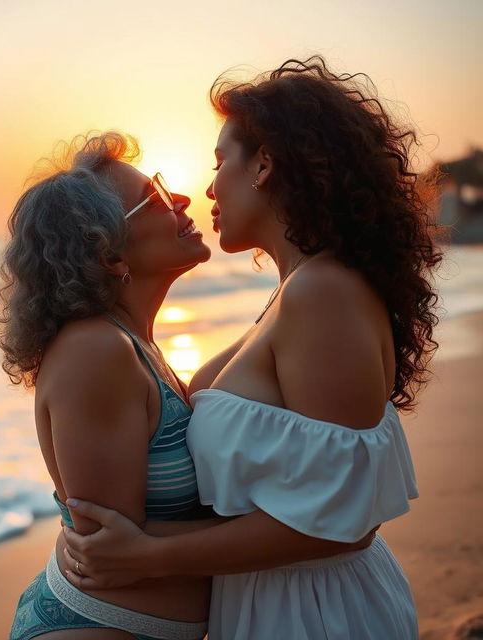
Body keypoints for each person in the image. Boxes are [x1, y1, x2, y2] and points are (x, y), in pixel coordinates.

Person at [60, 57, 443, 639]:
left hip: (316, 614)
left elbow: (344, 522)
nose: (209, 188)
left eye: (220, 163)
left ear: (264, 163)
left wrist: (146, 554)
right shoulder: (298, 290)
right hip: (278, 599)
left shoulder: (322, 291)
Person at [0, 130, 377, 640]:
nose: (181, 199)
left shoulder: (135, 345)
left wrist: (315, 517)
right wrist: (309, 523)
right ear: (108, 255)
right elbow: (110, 543)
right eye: (154, 196)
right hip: (99, 627)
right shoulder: (94, 350)